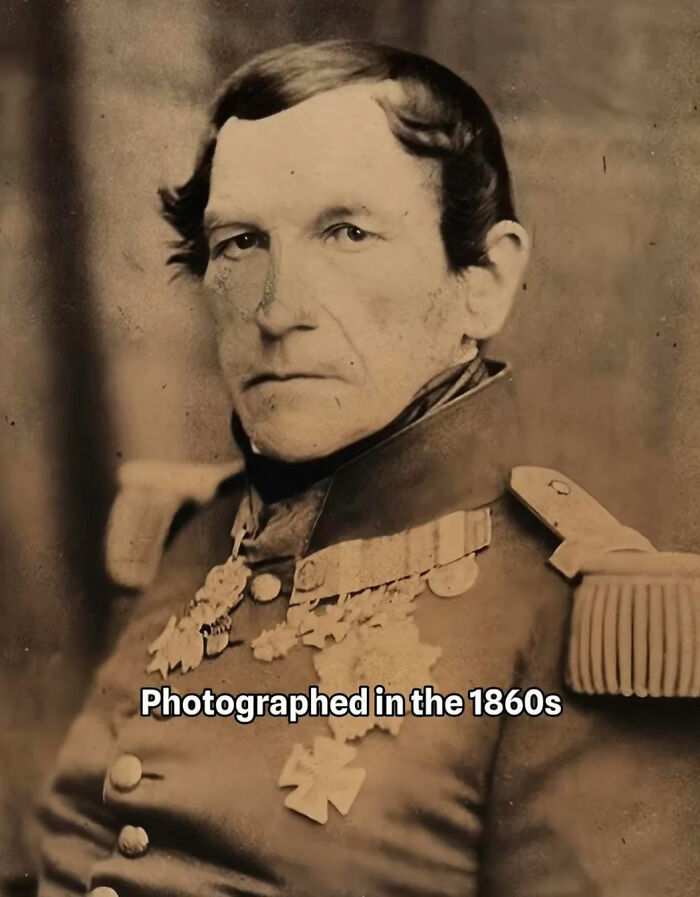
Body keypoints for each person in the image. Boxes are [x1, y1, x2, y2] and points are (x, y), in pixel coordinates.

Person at [34, 40, 699, 897]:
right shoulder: (189, 534)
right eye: (239, 243)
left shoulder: (578, 622)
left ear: (484, 280)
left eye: (346, 232)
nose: (276, 310)